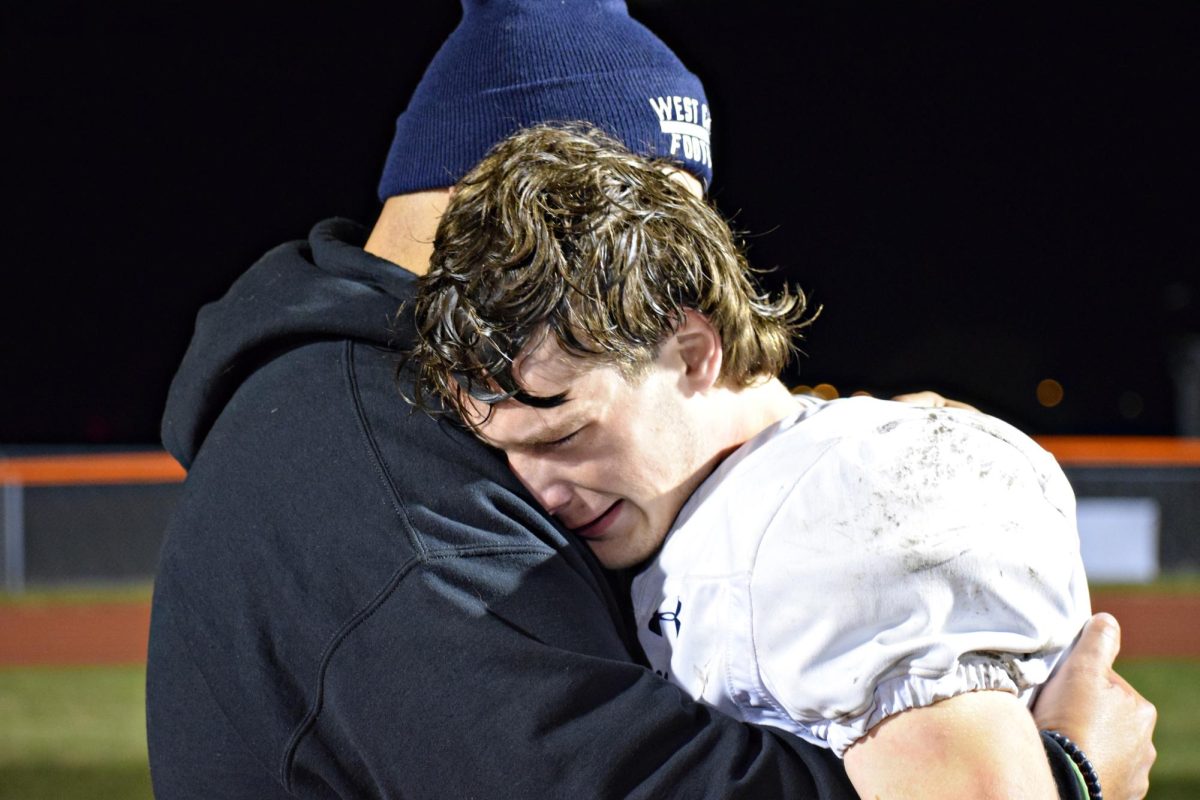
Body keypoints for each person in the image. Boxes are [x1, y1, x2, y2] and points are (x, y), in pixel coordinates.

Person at [147, 1, 1155, 797]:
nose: (674, 252)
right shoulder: (370, 455)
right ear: (525, 206)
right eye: (649, 207)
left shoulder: (373, 402)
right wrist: (1068, 773)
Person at [408, 123, 1154, 799]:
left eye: (565, 436)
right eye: (510, 453)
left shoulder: (845, 504)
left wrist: (1075, 779)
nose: (539, 492)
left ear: (694, 352)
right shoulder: (769, 484)